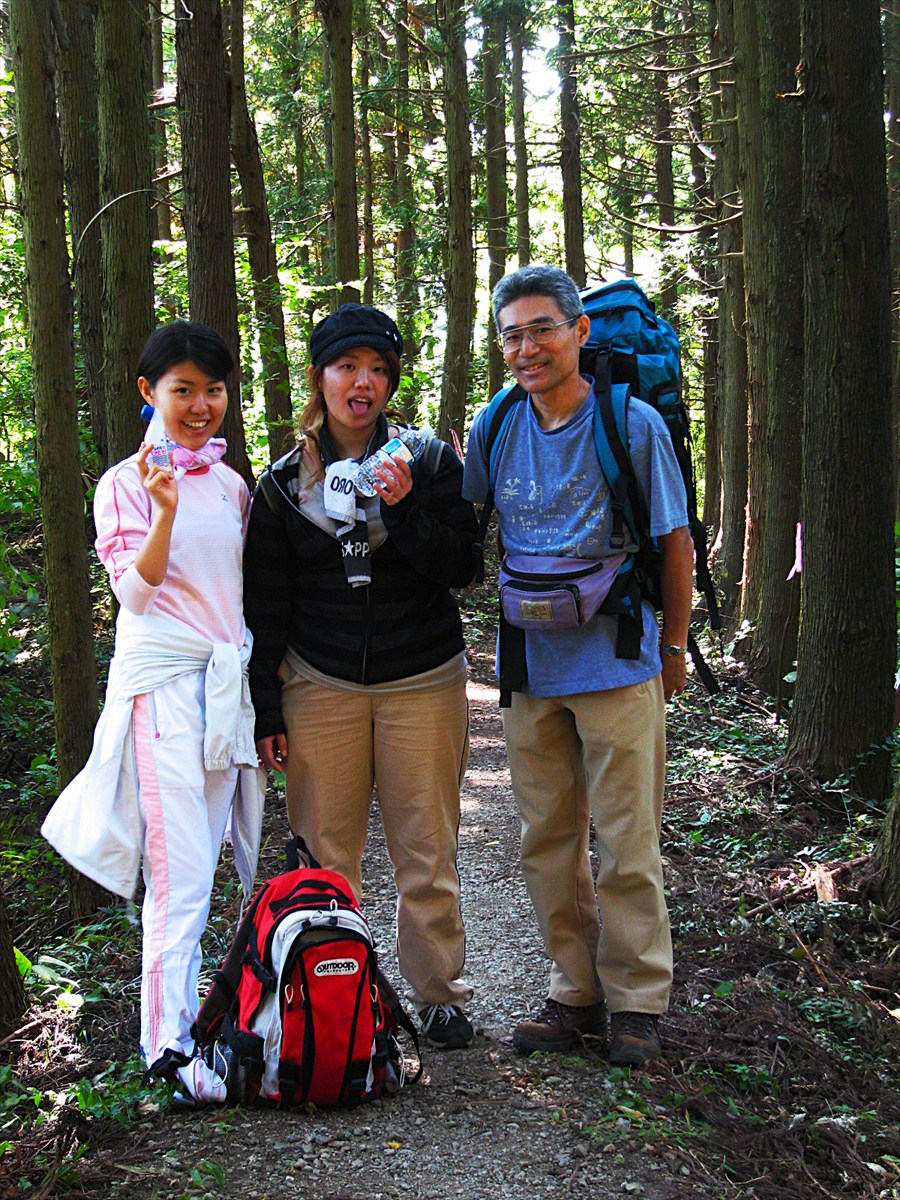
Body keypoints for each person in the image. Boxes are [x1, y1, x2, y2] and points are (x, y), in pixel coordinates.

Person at [462, 265, 694, 1065]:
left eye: (542, 329)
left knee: (628, 840)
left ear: (579, 331)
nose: (526, 348)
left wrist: (673, 647)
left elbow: (673, 542)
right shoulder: (496, 423)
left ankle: (637, 1002)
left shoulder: (631, 425)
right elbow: (465, 524)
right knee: (547, 840)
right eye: (512, 336)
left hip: (617, 659)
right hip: (529, 664)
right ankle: (574, 990)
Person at [243, 303, 477, 1050]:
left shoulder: (428, 462)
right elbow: (266, 604)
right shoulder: (283, 486)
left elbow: (463, 566)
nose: (363, 383)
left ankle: (438, 994)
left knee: (426, 850)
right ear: (321, 377)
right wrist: (266, 707)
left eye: (378, 369)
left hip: (423, 679)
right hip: (321, 683)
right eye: (347, 367)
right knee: (324, 854)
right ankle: (331, 1000)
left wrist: (404, 511)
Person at [42, 321, 265, 1102]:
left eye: (213, 390)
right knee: (180, 878)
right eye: (183, 390)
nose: (200, 405)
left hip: (223, 693)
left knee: (213, 867)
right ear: (149, 392)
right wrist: (163, 510)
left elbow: (237, 594)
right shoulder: (122, 484)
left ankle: (198, 1030)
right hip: (166, 693)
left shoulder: (232, 485)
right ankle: (167, 1050)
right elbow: (134, 596)